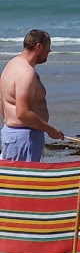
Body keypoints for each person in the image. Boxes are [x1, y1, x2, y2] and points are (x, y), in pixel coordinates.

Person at [1, 30, 64, 161]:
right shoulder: (26, 73)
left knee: (15, 180)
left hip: (15, 135)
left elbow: (3, 103)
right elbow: (22, 113)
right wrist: (50, 130)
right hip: (24, 138)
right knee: (23, 181)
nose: (50, 51)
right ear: (39, 46)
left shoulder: (12, 64)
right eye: (48, 46)